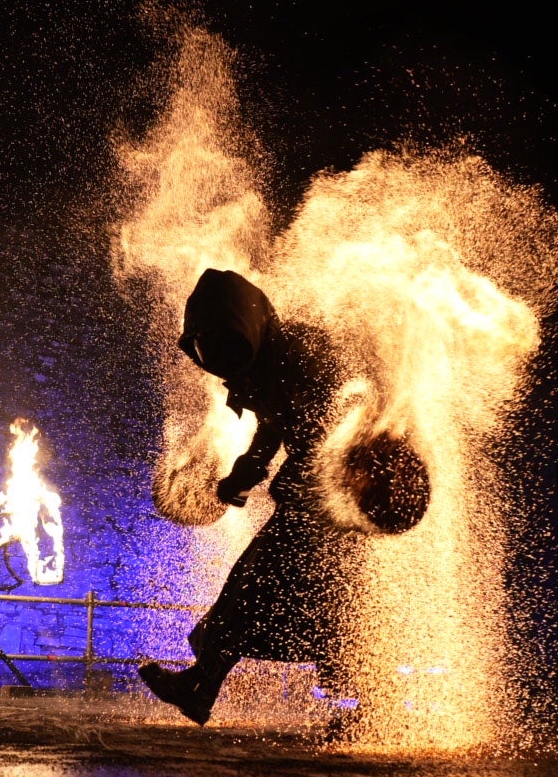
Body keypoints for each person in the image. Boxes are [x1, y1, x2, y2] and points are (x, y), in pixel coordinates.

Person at [139, 268, 428, 725]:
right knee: (274, 594)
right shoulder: (265, 361)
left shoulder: (304, 352)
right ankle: (203, 685)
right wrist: (242, 476)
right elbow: (273, 426)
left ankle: (374, 709)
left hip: (334, 504)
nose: (217, 359)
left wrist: (279, 479)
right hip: (311, 502)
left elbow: (337, 427)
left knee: (302, 599)